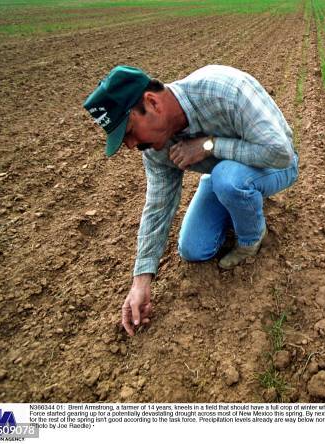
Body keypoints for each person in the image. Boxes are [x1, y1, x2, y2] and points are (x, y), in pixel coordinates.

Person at [83, 65, 298, 336]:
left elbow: (280, 153)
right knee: (193, 249)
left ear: (151, 102)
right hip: (223, 174)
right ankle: (228, 190)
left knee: (227, 178)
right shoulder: (155, 149)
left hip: (276, 166)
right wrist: (141, 281)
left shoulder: (224, 91)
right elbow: (158, 207)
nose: (130, 145)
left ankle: (251, 238)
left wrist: (210, 146)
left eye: (128, 132)